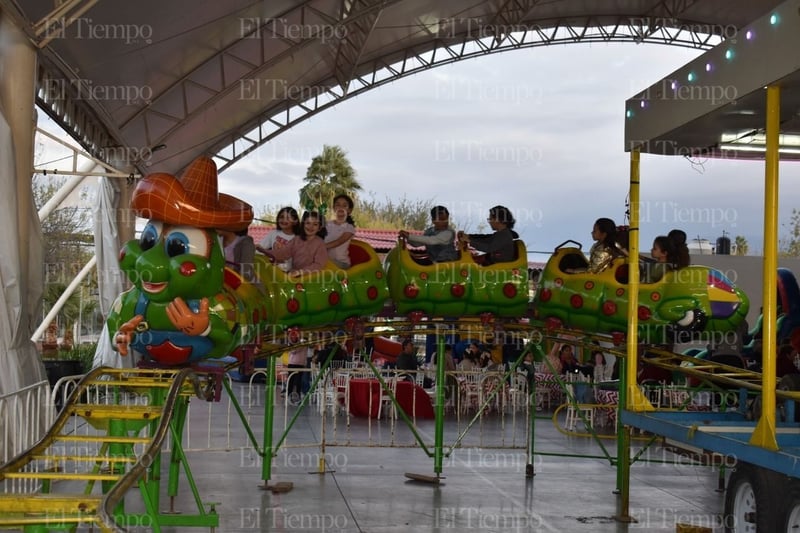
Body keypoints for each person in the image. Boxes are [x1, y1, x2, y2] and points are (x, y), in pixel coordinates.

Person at [264, 210, 328, 277]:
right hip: (294, 275)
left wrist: (300, 272)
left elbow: (318, 264)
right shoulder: (296, 239)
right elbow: (284, 253)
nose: (310, 227)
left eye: (315, 224)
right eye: (308, 223)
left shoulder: (320, 243)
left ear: (319, 228)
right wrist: (267, 253)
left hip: (312, 277)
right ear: (303, 224)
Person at [256, 206, 299, 272]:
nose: (284, 220)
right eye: (281, 217)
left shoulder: (298, 238)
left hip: (288, 273)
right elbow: (259, 250)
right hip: (272, 269)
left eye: (287, 218)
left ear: (295, 221)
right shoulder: (273, 233)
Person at [325, 194, 356, 269]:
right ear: (334, 208)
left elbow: (338, 242)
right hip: (327, 260)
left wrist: (321, 247)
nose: (340, 208)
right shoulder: (327, 224)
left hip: (341, 263)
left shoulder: (349, 228)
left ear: (349, 210)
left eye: (344, 205)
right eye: (338, 205)